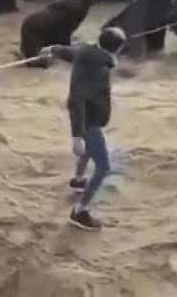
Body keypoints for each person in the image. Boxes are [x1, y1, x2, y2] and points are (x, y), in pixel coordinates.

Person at [40, 27, 126, 231]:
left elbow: (69, 51)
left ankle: (78, 180)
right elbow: (77, 101)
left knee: (90, 151)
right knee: (104, 167)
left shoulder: (86, 51)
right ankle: (80, 212)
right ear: (118, 49)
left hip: (91, 120)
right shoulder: (97, 70)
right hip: (90, 122)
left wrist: (52, 49)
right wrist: (76, 136)